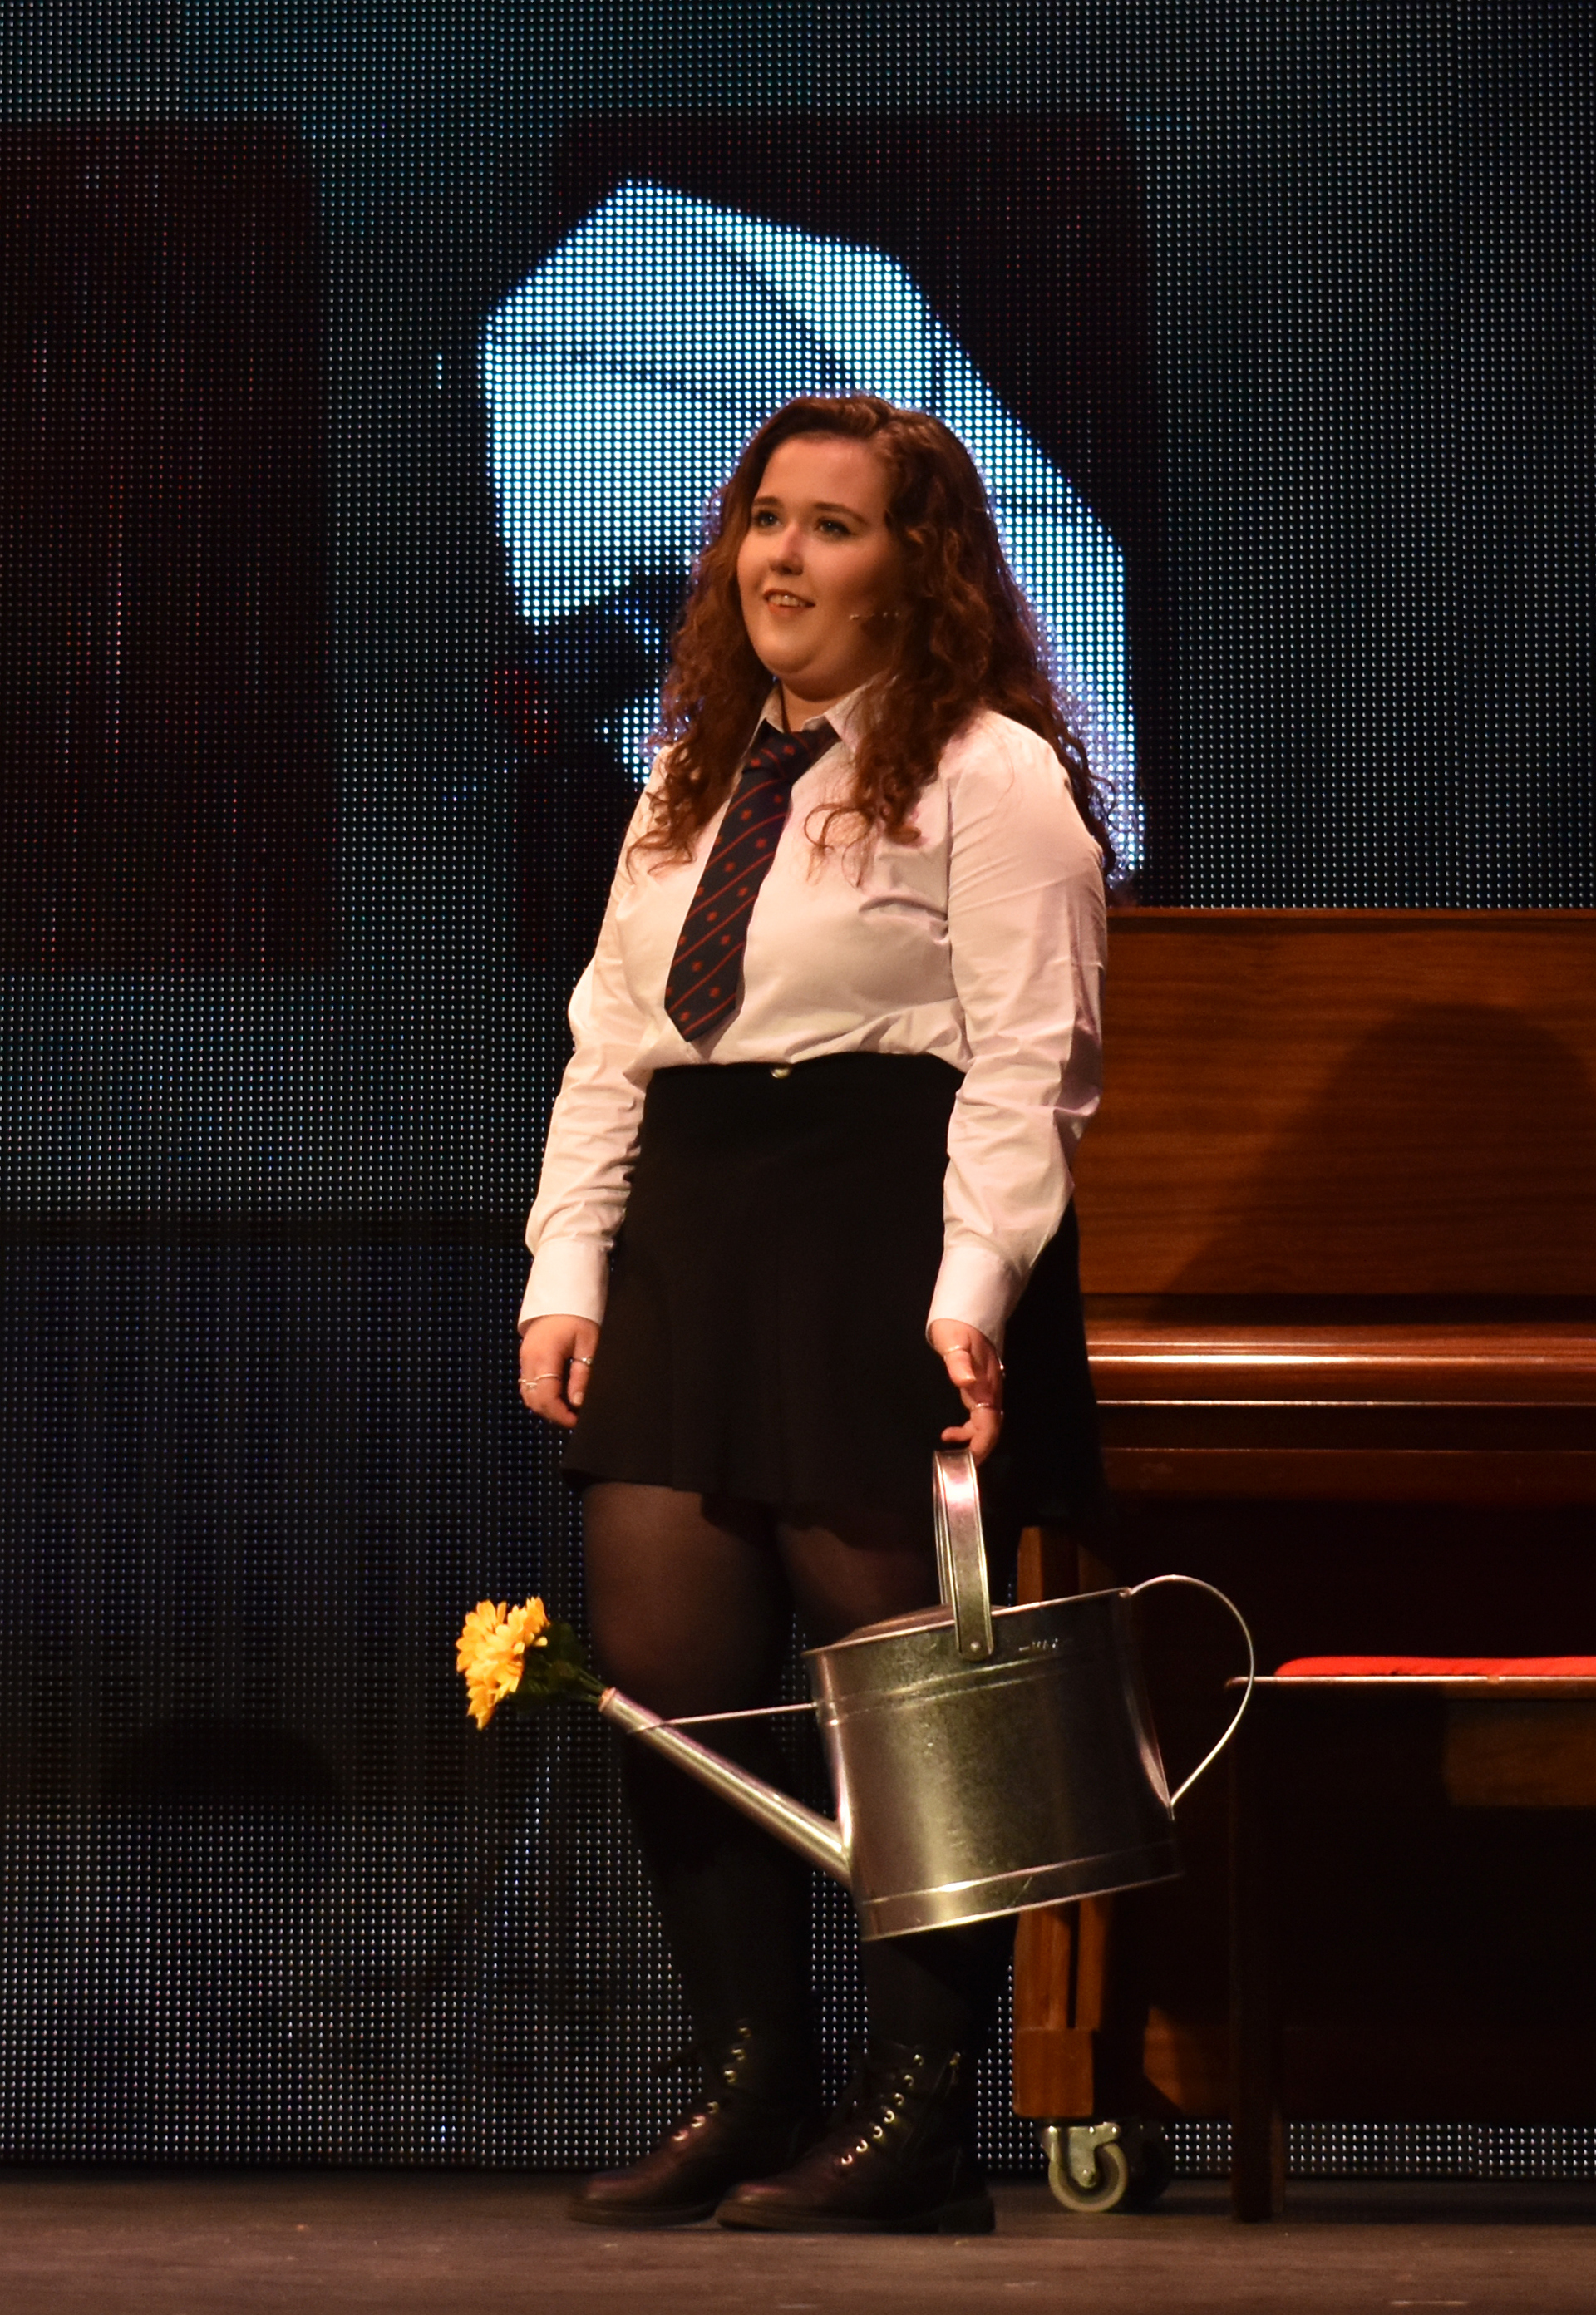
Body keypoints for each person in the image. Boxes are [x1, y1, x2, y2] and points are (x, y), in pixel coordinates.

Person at [517, 393, 1110, 2234]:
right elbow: (611, 1041)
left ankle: (918, 2119)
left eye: (832, 525)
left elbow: (1031, 1059)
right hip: (697, 1231)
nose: (780, 555)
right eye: (764, 518)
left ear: (917, 568)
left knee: (912, 1697)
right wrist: (567, 1267)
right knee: (673, 1680)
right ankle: (745, 2082)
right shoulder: (689, 775)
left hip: (878, 1231)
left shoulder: (992, 773)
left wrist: (972, 1287)